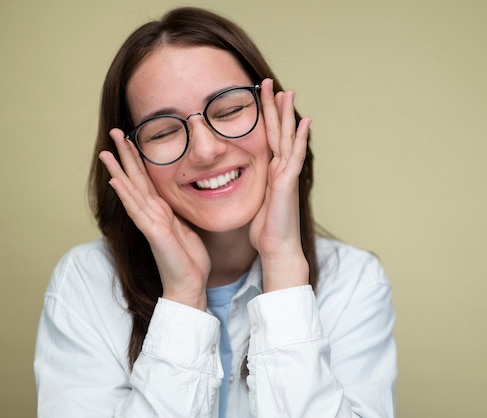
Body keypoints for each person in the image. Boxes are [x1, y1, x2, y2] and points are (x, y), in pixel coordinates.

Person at [34, 6, 396, 417]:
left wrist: (283, 269)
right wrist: (184, 298)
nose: (206, 151)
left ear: (276, 116)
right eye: (165, 131)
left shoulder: (353, 283)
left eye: (228, 110)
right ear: (132, 160)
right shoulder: (84, 284)